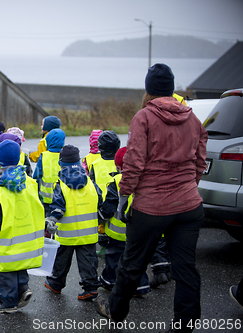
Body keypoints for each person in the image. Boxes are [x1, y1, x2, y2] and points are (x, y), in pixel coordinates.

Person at [95, 63, 208, 333]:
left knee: (132, 265)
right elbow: (200, 162)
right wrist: (188, 187)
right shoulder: (193, 119)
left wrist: (124, 198)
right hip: (189, 206)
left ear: (148, 89)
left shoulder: (144, 117)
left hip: (151, 208)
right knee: (185, 268)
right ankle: (185, 324)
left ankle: (116, 312)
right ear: (172, 88)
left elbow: (133, 164)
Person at [0, 140, 45, 313]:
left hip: (6, 234)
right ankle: (23, 289)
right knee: (20, 263)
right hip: (26, 232)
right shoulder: (29, 182)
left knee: (6, 269)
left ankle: (8, 303)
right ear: (19, 158)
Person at [44, 145, 103, 301]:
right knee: (88, 262)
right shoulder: (89, 182)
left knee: (61, 262)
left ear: (61, 163)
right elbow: (100, 200)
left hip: (67, 234)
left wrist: (51, 220)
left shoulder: (60, 184)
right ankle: (90, 288)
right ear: (78, 162)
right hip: (88, 233)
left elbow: (58, 208)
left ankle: (55, 284)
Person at [97, 147, 151, 296]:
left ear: (119, 166)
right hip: (141, 231)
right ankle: (141, 286)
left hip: (118, 232)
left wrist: (102, 216)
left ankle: (109, 281)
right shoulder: (146, 180)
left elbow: (110, 206)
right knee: (136, 259)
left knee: (114, 257)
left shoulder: (117, 181)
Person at [88, 130, 120, 257]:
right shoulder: (119, 162)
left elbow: (92, 184)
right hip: (119, 199)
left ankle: (102, 247)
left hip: (101, 202)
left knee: (101, 224)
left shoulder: (94, 165)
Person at [32, 128, 65, 217]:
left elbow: (37, 176)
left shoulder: (44, 156)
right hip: (62, 196)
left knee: (46, 218)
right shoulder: (65, 155)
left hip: (46, 197)